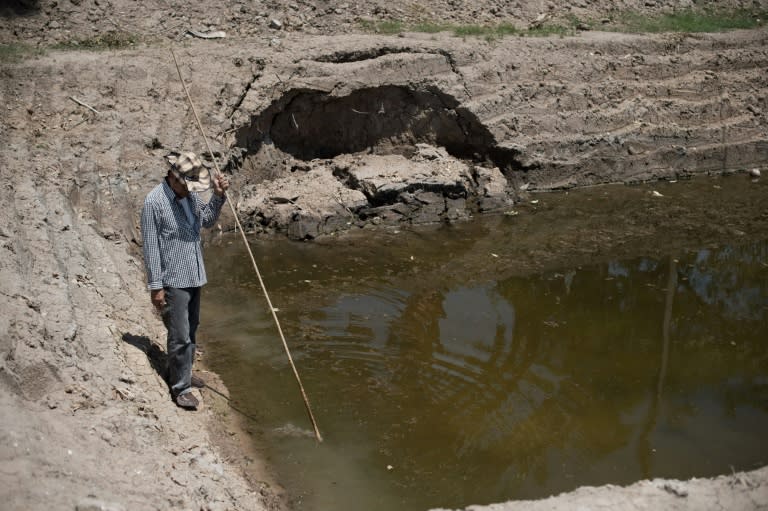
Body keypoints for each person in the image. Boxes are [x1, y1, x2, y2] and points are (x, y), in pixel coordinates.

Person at [140, 151, 229, 409]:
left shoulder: (189, 197)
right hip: (173, 278)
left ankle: (184, 372)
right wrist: (156, 287)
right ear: (173, 177)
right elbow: (151, 248)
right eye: (185, 184)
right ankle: (180, 388)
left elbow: (209, 220)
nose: (188, 189)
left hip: (194, 273)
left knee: (191, 328)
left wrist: (219, 195)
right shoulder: (154, 202)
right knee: (179, 335)